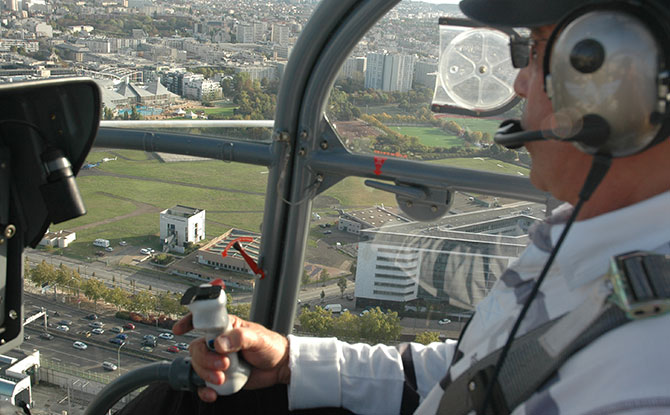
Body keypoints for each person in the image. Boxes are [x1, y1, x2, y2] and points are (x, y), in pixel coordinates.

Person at [117, 0, 670, 413]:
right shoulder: (585, 237)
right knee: (181, 397)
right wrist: (290, 361)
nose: (520, 82)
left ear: (631, 92)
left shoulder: (641, 381)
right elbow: (469, 373)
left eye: (539, 52)